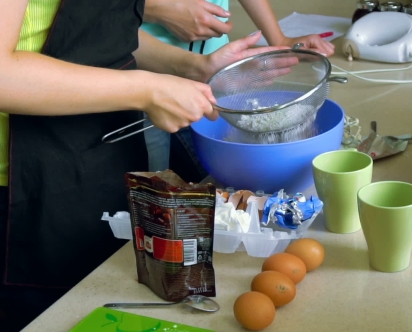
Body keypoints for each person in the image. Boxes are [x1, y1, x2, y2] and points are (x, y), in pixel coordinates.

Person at [0, 0, 290, 330]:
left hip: (99, 152)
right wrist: (147, 89)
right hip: (24, 183)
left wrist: (194, 67)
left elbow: (105, 27)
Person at [140, 0, 336, 174]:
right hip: (142, 80)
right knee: (151, 182)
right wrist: (156, 8)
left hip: (213, 73)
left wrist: (278, 38)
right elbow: (111, 18)